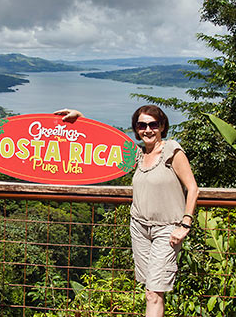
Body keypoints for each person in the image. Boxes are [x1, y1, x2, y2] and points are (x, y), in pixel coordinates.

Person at [55, 106, 199, 317]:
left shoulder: (172, 151)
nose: (148, 130)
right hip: (139, 228)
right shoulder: (138, 155)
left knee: (154, 293)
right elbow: (104, 144)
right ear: (136, 129)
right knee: (148, 287)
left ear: (162, 126)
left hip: (167, 230)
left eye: (153, 124)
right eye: (142, 125)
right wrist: (82, 119)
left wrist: (185, 223)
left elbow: (193, 188)